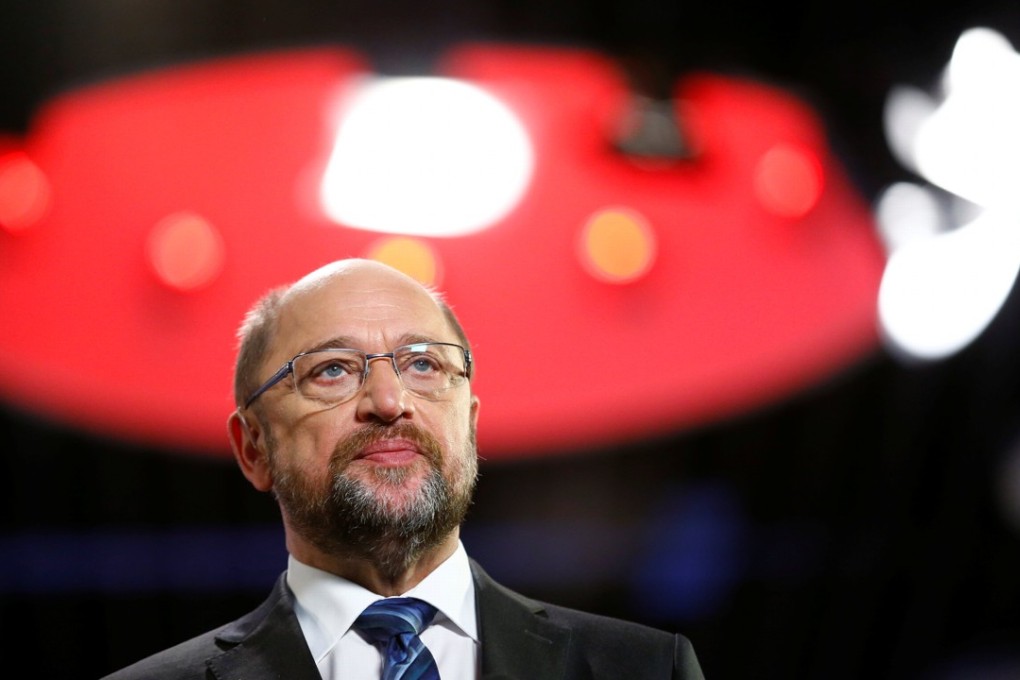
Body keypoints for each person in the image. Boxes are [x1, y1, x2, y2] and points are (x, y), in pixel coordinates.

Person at [102, 258, 705, 679]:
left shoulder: (648, 668)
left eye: (423, 364)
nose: (390, 402)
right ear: (254, 447)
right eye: (332, 369)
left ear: (468, 424)